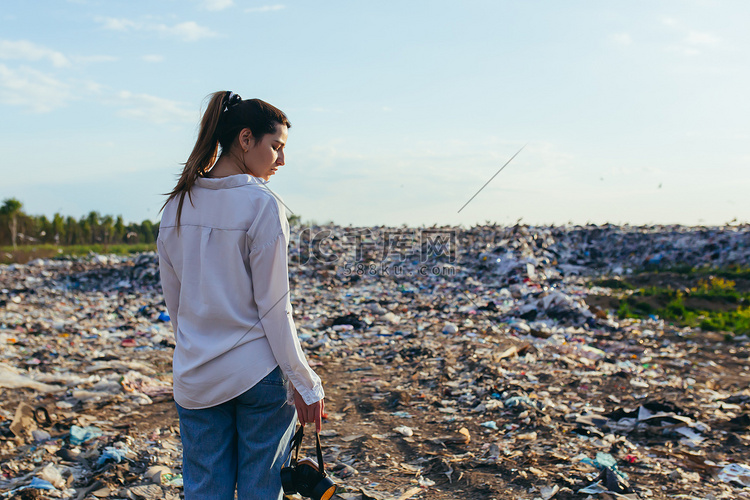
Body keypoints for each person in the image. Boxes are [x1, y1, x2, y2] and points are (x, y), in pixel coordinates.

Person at [157, 91, 325, 500]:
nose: (281, 161)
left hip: (196, 376)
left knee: (204, 490)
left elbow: (175, 305)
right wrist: (306, 382)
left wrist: (195, 351)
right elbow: (274, 307)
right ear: (246, 139)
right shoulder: (262, 204)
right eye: (276, 147)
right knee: (261, 491)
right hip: (257, 376)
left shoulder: (176, 205)